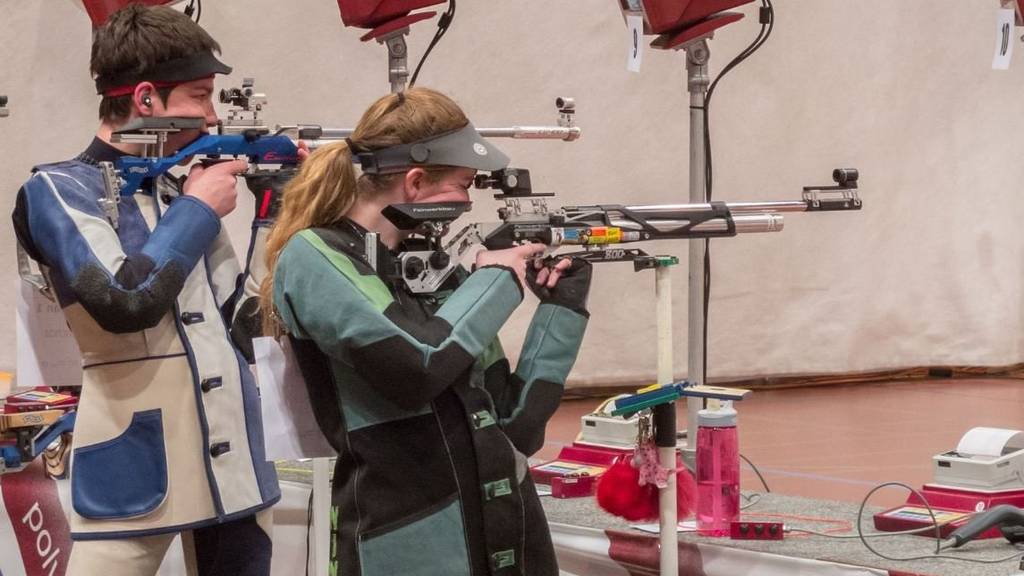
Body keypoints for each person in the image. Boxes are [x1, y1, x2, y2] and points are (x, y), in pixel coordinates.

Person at [261, 87, 592, 576]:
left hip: (508, 532)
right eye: (464, 184)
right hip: (407, 539)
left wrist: (562, 312)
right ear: (415, 182)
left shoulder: (433, 267)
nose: (466, 199)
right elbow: (417, 365)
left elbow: (516, 426)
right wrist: (498, 277)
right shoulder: (316, 257)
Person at [11, 5, 287, 575]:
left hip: (232, 461)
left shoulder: (176, 188)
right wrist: (195, 208)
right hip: (133, 466)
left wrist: (274, 209)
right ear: (144, 99)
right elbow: (123, 301)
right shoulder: (57, 190)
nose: (211, 116)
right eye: (199, 95)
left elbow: (245, 318)